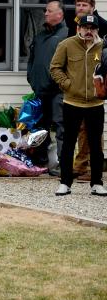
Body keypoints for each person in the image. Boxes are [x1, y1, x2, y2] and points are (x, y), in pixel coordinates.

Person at [49, 14, 107, 196]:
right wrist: (67, 85)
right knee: (68, 143)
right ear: (78, 28)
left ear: (97, 30)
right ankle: (65, 183)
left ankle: (97, 183)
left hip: (96, 104)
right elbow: (55, 68)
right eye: (85, 27)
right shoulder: (66, 45)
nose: (89, 31)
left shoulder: (103, 48)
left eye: (92, 28)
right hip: (72, 102)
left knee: (96, 145)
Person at [27, 0, 68, 176]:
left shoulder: (67, 35)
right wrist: (31, 78)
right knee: (40, 128)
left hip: (58, 91)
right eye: (45, 11)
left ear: (60, 14)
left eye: (49, 11)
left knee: (61, 127)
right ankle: (41, 162)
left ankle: (62, 165)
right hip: (40, 90)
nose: (45, 14)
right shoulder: (41, 36)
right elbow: (32, 60)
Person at [69, 0, 104, 181]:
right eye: (78, 5)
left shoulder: (102, 25)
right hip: (78, 83)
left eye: (84, 5)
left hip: (96, 83)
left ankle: (93, 165)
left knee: (94, 128)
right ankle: (80, 164)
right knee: (82, 127)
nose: (80, 8)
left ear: (92, 7)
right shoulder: (75, 23)